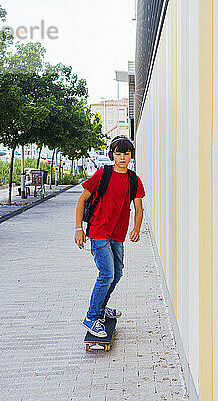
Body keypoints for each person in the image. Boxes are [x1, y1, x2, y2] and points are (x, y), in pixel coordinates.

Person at [74, 136, 145, 337]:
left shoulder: (133, 179)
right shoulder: (102, 174)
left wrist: (137, 228)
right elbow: (82, 200)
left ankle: (100, 308)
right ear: (112, 155)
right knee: (106, 274)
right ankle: (91, 316)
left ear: (132, 156)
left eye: (126, 153)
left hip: (117, 234)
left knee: (118, 273)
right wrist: (78, 228)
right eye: (118, 153)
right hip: (98, 231)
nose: (122, 157)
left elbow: (139, 209)